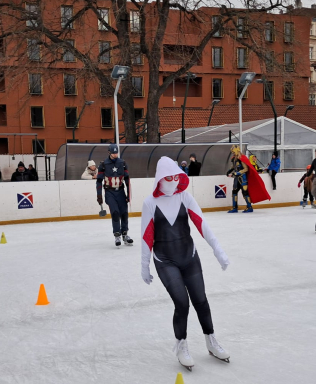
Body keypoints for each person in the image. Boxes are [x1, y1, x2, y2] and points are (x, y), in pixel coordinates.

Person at [140, 157, 230, 370]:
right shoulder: (149, 203)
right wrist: (144, 265)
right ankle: (181, 344)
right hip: (165, 261)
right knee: (182, 303)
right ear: (159, 179)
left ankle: (211, 340)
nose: (172, 181)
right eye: (167, 178)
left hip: (189, 257)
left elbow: (202, 225)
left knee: (201, 300)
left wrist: (219, 251)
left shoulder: (185, 197)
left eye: (175, 177)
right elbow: (146, 237)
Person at [97, 144, 133, 246]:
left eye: (116, 152)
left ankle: (125, 234)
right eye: (113, 153)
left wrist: (128, 195)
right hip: (110, 192)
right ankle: (117, 235)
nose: (115, 154)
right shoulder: (103, 165)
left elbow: (127, 179)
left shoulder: (123, 163)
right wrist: (99, 195)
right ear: (109, 153)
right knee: (115, 212)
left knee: (124, 213)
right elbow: (99, 181)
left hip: (121, 192)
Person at [226, 145, 271, 213]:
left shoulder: (242, 158)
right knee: (234, 192)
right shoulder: (234, 159)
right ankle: (235, 208)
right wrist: (229, 171)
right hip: (237, 179)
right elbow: (234, 166)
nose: (233, 153)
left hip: (242, 178)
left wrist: (235, 173)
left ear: (237, 150)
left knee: (245, 193)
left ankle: (249, 207)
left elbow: (246, 169)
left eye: (233, 152)